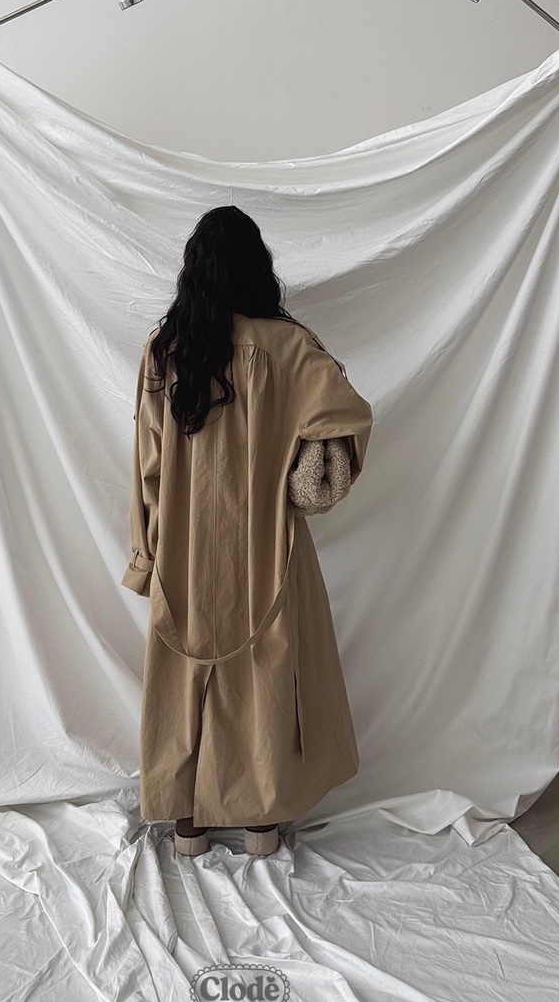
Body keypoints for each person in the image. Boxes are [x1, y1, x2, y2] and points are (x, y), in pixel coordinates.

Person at [121, 205, 373, 858]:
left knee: (183, 676)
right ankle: (262, 824)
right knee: (265, 671)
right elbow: (345, 415)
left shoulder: (165, 350)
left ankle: (188, 825)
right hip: (265, 542)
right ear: (256, 269)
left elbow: (148, 466)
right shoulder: (288, 347)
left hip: (184, 545)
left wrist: (144, 556)